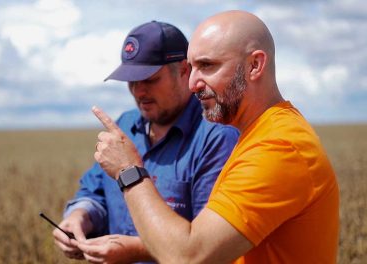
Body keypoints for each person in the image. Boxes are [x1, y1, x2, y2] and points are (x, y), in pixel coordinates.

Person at [87, 10, 340, 263]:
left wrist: (128, 171)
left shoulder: (279, 147)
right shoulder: (258, 135)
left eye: (207, 66)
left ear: (255, 65)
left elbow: (188, 256)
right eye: (192, 68)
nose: (193, 83)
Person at [53, 21, 239, 263]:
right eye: (131, 81)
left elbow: (208, 247)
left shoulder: (216, 136)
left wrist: (137, 249)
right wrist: (79, 217)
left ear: (184, 71)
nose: (138, 92)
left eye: (150, 79)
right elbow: (95, 190)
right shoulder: (125, 126)